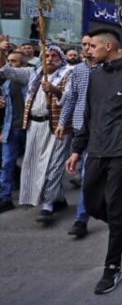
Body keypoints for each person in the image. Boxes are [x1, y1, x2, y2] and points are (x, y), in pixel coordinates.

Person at [65, 28, 122, 295]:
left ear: (108, 47)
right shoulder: (96, 76)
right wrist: (77, 149)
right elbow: (89, 116)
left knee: (113, 207)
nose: (88, 50)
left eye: (93, 46)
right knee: (91, 204)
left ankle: (112, 268)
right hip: (96, 151)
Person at [0, 45, 73, 224]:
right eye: (46, 55)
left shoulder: (68, 73)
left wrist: (55, 90)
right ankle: (58, 198)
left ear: (60, 58)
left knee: (53, 165)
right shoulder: (33, 73)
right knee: (33, 163)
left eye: (53, 55)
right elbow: (6, 71)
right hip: (34, 125)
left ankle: (48, 206)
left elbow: (70, 97)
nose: (49, 58)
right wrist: (2, 52)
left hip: (56, 125)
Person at [58, 34, 94, 237]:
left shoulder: (106, 71)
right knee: (85, 175)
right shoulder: (78, 71)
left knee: (92, 177)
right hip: (81, 130)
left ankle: (83, 218)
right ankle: (82, 218)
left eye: (91, 45)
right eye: (84, 45)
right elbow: (71, 98)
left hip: (101, 130)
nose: (87, 49)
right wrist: (63, 122)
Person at [0, 50, 28, 213]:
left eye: (14, 61)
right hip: (10, 129)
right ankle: (5, 197)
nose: (10, 64)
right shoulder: (5, 84)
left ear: (23, 65)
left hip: (29, 128)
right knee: (7, 164)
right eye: (9, 61)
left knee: (33, 164)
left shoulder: (29, 82)